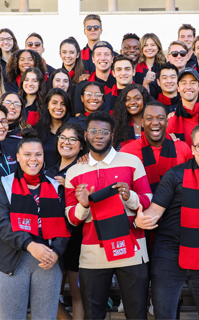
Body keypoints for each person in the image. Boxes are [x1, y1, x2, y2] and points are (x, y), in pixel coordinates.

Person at [136, 122, 199, 320]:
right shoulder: (175, 175)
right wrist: (142, 221)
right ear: (193, 149)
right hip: (170, 254)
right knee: (165, 315)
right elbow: (154, 211)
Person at [65, 111, 152, 320]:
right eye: (93, 131)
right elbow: (71, 217)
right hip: (92, 255)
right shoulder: (74, 171)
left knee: (137, 313)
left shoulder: (131, 161)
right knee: (93, 315)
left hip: (132, 249)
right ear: (85, 135)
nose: (98, 135)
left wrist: (129, 196)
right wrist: (83, 205)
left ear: (112, 135)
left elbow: (148, 198)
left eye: (104, 131)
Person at [0, 128, 71, 320]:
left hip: (48, 260)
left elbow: (66, 224)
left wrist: (56, 252)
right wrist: (30, 245)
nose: (33, 159)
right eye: (27, 154)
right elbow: (2, 224)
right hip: (11, 260)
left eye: (38, 154)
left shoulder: (57, 186)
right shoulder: (4, 184)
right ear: (18, 157)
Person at [45, 123, 88, 320]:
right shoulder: (47, 170)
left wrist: (69, 185)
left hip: (76, 238)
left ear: (81, 145)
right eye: (63, 137)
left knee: (78, 294)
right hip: (51, 238)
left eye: (73, 139)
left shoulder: (83, 169)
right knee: (50, 296)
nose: (66, 142)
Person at [120, 101, 193, 191]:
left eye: (160, 118)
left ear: (167, 122)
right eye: (149, 118)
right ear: (142, 123)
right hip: (141, 203)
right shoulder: (127, 152)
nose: (155, 122)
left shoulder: (182, 148)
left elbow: (192, 183)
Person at [73, 41, 117, 115]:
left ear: (112, 58)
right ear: (93, 59)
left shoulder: (119, 84)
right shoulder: (82, 86)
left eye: (106, 54)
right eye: (98, 54)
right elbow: (78, 117)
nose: (103, 58)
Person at [34, 88, 73, 168]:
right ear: (47, 105)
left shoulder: (73, 131)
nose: (59, 107)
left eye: (63, 104)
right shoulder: (37, 131)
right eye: (54, 103)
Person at [112, 84, 153, 149]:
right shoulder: (117, 126)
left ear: (144, 100)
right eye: (128, 99)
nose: (132, 102)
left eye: (137, 98)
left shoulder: (153, 123)